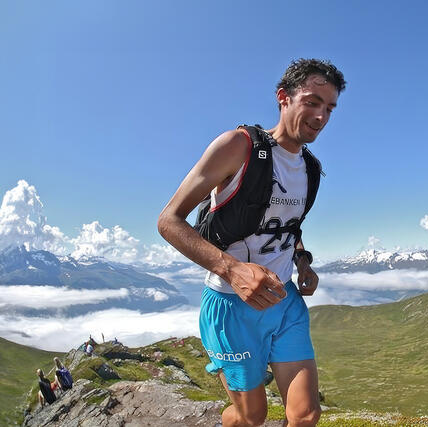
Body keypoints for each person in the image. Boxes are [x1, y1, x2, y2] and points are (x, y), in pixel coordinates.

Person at [158, 59, 345, 427]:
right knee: (251, 418)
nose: (321, 116)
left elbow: (289, 225)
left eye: (330, 108)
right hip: (230, 307)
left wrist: (302, 262)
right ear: (283, 98)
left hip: (283, 300)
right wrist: (232, 270)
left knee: (306, 416)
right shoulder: (237, 147)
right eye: (312, 101)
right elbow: (168, 221)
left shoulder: (310, 169)